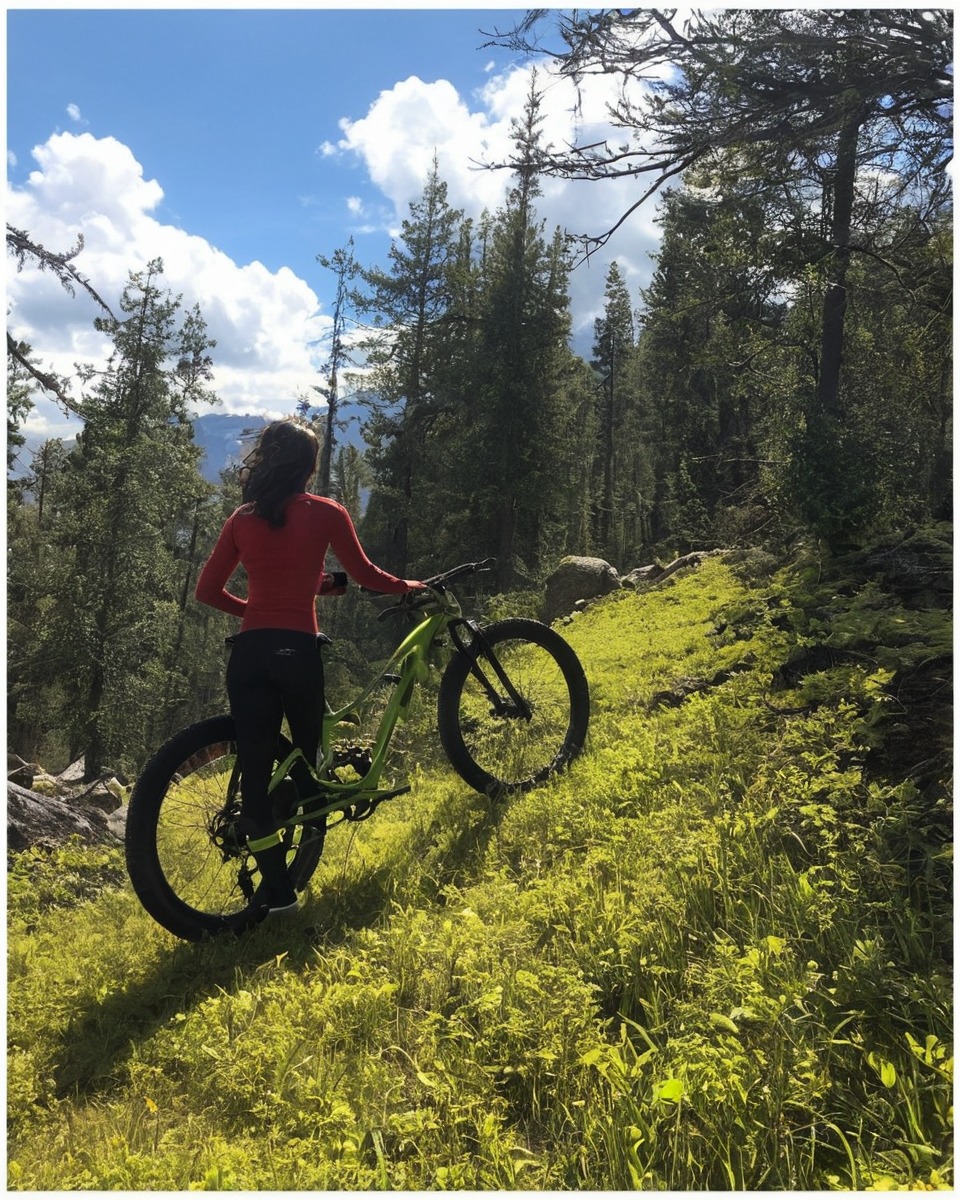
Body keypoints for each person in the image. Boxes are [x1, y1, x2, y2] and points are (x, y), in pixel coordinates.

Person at [195, 419, 424, 914]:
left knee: (257, 775)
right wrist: (409, 587)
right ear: (309, 465)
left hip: (251, 654)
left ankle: (279, 894)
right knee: (308, 771)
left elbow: (207, 592)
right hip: (297, 653)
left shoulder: (242, 519)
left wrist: (259, 611)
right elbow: (365, 575)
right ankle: (300, 854)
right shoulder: (325, 512)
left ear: (267, 460)